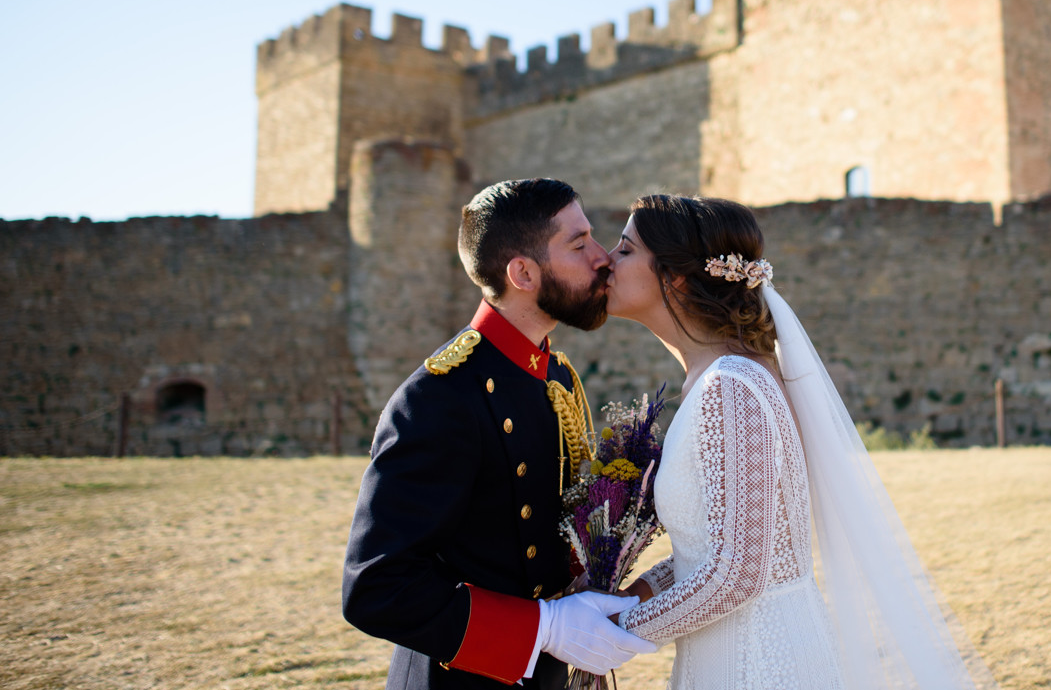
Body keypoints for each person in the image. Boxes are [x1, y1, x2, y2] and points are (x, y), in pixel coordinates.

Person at [605, 194, 978, 690]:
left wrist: (612, 635)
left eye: (625, 250)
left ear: (672, 276)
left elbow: (737, 575)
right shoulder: (720, 379)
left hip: (761, 665)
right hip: (733, 658)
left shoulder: (731, 388)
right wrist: (634, 595)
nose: (607, 260)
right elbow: (715, 550)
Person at [342, 178, 655, 689]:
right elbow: (375, 587)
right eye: (579, 244)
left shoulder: (556, 378)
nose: (603, 259)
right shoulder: (441, 397)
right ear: (523, 272)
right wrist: (545, 628)